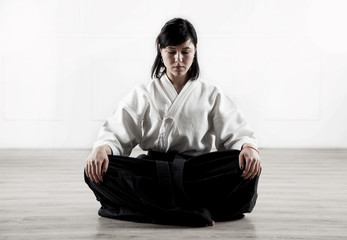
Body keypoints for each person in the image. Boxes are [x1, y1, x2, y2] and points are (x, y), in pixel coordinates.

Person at [84, 18, 261, 227]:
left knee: (246, 166)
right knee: (95, 171)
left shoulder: (211, 94)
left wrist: (247, 147)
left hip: (196, 173)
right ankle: (190, 212)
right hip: (152, 172)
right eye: (171, 51)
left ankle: (155, 211)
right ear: (160, 50)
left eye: (185, 51)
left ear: (195, 50)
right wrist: (103, 148)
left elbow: (237, 131)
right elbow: (117, 130)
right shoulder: (144, 93)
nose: (179, 59)